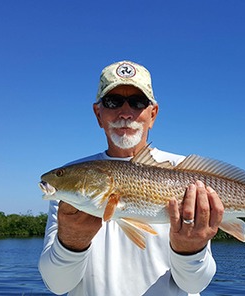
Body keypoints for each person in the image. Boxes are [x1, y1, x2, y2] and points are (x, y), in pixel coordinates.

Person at [39, 60, 224, 296]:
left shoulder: (188, 178)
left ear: (153, 114)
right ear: (98, 113)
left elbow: (194, 285)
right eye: (113, 101)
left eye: (138, 103)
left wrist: (190, 250)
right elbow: (57, 285)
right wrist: (71, 243)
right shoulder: (70, 190)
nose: (125, 113)